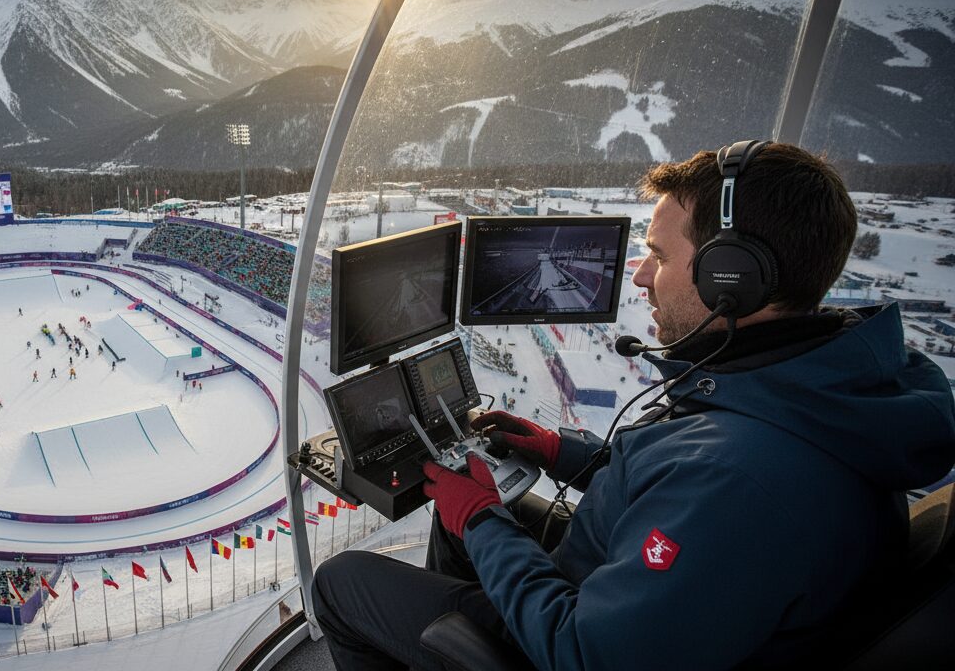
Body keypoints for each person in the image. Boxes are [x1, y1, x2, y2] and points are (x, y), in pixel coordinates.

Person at [312, 142, 955, 671]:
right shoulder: (807, 391)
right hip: (644, 594)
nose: (642, 275)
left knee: (342, 582)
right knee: (465, 517)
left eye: (661, 254)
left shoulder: (742, 481)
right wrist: (559, 452)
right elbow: (675, 480)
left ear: (732, 278)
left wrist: (482, 520)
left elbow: (587, 655)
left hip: (579, 635)